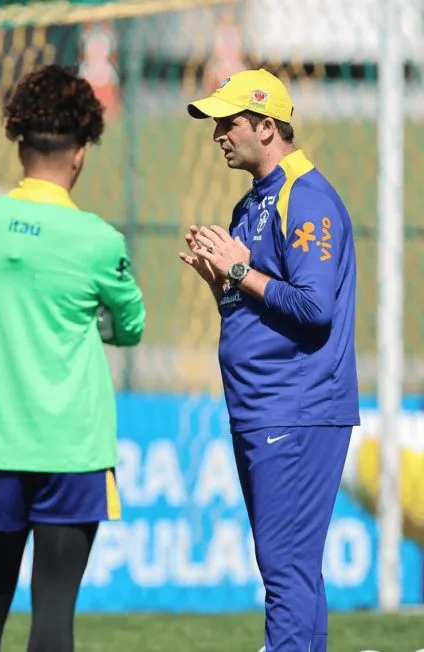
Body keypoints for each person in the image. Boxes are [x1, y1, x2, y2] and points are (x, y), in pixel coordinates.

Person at [0, 64, 145, 652]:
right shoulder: (97, 240)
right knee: (53, 618)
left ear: (19, 141)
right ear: (80, 152)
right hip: (71, 447)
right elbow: (130, 326)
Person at [180, 68, 359, 652]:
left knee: (285, 568)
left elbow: (313, 308)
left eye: (227, 123)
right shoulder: (247, 206)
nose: (218, 137)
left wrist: (238, 270)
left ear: (265, 125)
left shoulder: (306, 198)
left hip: (299, 408)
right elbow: (247, 306)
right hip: (260, 405)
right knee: (291, 568)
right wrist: (220, 281)